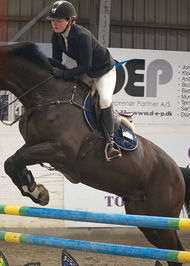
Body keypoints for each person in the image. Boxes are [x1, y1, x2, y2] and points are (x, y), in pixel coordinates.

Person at [47, 0, 121, 161]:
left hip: (103, 70)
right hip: (86, 71)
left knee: (105, 100)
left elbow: (86, 66)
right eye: (53, 20)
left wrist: (64, 74)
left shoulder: (82, 36)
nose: (54, 24)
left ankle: (111, 143)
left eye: (58, 20)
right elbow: (56, 62)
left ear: (69, 21)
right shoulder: (56, 36)